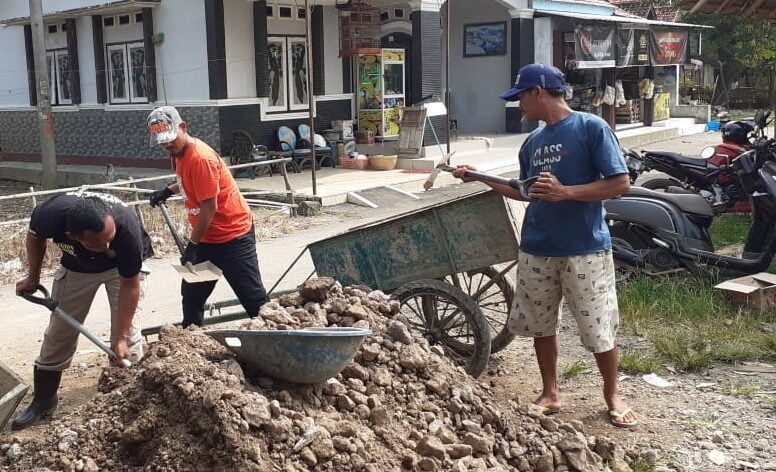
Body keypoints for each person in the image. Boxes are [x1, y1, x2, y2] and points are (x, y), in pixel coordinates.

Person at [453, 64, 638, 428]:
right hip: (537, 246)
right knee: (541, 324)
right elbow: (524, 193)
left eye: (520, 96)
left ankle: (612, 394)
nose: (518, 105)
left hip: (585, 246)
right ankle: (550, 393)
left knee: (597, 325)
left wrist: (567, 192)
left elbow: (620, 183)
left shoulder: (590, 127)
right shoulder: (532, 143)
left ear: (538, 92)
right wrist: (478, 177)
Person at [14, 192, 152, 430]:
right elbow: (36, 238)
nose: (108, 247)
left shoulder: (125, 227)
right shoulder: (51, 215)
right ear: (72, 236)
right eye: (99, 243)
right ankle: (44, 400)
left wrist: (119, 338)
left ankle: (130, 402)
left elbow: (130, 284)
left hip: (122, 271)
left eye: (110, 239)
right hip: (76, 267)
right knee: (58, 334)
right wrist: (33, 278)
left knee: (128, 336)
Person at [146, 106, 268, 327]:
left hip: (233, 236)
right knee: (192, 297)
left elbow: (208, 208)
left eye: (171, 139)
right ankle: (191, 341)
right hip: (206, 239)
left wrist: (192, 245)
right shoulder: (180, 154)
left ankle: (278, 341)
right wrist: (168, 190)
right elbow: (191, 182)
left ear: (183, 127)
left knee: (253, 299)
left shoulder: (200, 158)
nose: (167, 145)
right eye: (162, 142)